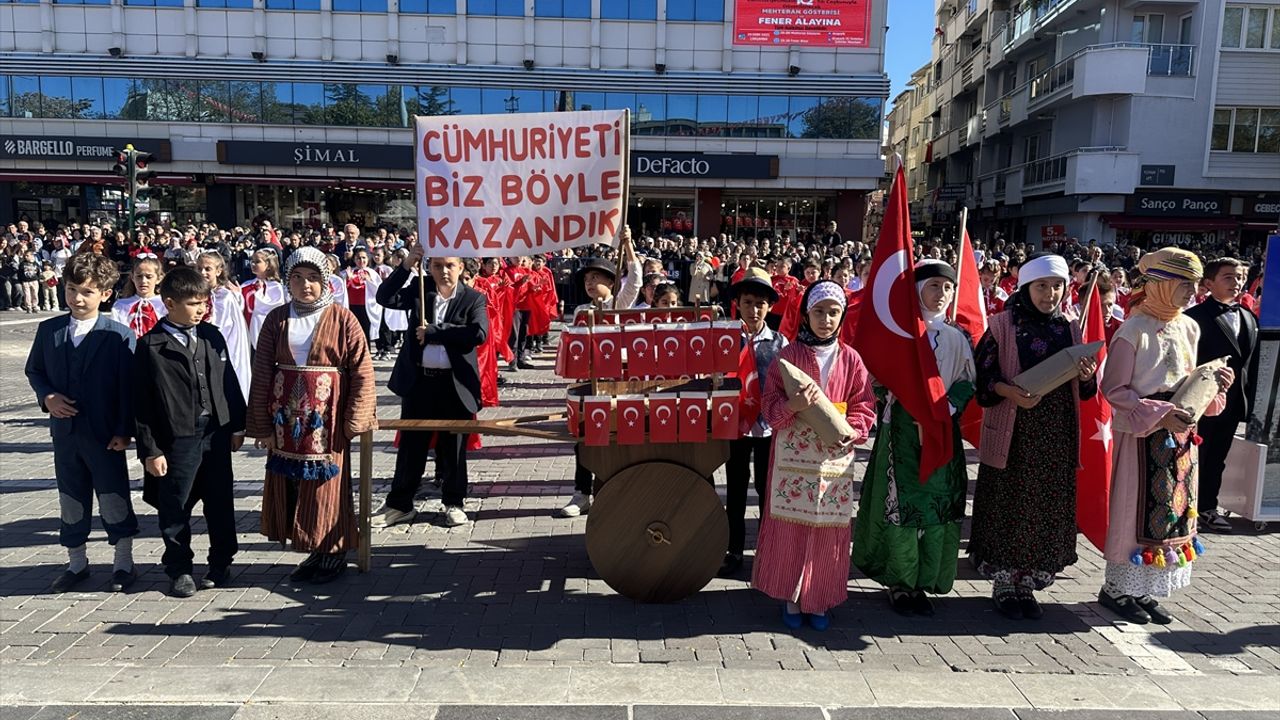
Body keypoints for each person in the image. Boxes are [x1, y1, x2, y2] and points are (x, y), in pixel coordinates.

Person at [1098, 248, 1234, 624]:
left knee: (1173, 511)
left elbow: (1188, 380)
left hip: (1180, 436)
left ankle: (1145, 588)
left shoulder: (1189, 326)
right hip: (1144, 434)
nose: (1192, 292)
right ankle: (1117, 588)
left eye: (1193, 284)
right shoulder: (1132, 330)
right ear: (1161, 284)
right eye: (1184, 284)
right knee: (1134, 510)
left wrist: (1213, 386)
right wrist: (1161, 413)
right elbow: (1114, 390)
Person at [969, 253, 1098, 620]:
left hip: (1055, 434)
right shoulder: (1001, 326)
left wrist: (1087, 374)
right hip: (1015, 434)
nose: (1050, 294)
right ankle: (1005, 581)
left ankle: (1028, 583)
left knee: (1044, 505)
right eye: (1042, 286)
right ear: (1025, 287)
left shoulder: (1069, 327)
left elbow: (1086, 392)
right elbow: (984, 383)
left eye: (1057, 286)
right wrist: (1009, 392)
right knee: (1010, 503)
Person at [246, 246, 378, 584]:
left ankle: (332, 552)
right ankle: (312, 550)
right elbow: (262, 370)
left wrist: (355, 418)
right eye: (298, 278)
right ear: (288, 280)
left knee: (325, 485)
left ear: (325, 280)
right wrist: (261, 424)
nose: (306, 285)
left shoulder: (342, 318)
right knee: (292, 484)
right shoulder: (277, 318)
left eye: (314, 278)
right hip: (286, 419)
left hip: (327, 419)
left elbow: (362, 370)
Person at [751, 280, 876, 631]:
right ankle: (791, 596)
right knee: (791, 526)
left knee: (826, 529)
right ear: (806, 314)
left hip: (833, 459)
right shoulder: (787, 356)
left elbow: (864, 404)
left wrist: (852, 429)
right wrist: (795, 404)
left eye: (833, 312)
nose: (825, 319)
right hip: (794, 457)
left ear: (842, 316)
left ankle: (818, 597)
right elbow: (770, 407)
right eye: (818, 311)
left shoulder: (851, 359)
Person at [853, 260, 975, 616]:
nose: (941, 294)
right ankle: (900, 582)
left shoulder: (957, 337)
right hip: (902, 431)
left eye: (947, 287)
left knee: (935, 506)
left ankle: (926, 579)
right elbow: (873, 376)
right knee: (901, 504)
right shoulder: (901, 333)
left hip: (941, 429)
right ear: (917, 289)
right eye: (933, 286)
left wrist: (950, 407)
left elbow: (968, 380)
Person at [25, 252, 139, 593]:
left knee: (113, 494)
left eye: (87, 291)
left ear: (105, 294)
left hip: (105, 434)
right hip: (65, 435)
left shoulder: (119, 335)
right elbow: (35, 370)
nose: (77, 298)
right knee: (71, 496)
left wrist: (124, 430)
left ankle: (123, 561)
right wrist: (47, 397)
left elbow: (127, 387)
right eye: (72, 289)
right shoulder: (50, 331)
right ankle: (77, 562)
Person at [133, 267, 247, 597]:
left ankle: (221, 561)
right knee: (175, 504)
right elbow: (141, 404)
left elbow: (229, 383)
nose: (201, 309)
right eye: (194, 303)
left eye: (204, 302)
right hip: (176, 437)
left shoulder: (212, 336)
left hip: (216, 432)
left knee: (220, 500)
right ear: (169, 303)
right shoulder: (151, 345)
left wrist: (237, 424)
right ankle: (179, 567)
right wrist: (150, 450)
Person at [371, 245, 489, 528]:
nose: (443, 271)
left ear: (461, 267)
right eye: (437, 266)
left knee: (454, 447)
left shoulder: (473, 298)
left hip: (454, 384)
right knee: (412, 446)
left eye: (449, 265)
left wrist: (436, 333)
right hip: (420, 382)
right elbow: (383, 296)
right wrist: (405, 266)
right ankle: (400, 504)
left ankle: (453, 501)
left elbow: (478, 333)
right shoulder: (420, 289)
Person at [557, 227, 643, 518]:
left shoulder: (620, 305)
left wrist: (628, 245)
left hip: (617, 384)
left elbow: (635, 278)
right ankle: (581, 494)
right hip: (588, 383)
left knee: (616, 438)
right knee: (584, 439)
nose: (590, 283)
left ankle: (615, 490)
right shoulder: (581, 310)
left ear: (611, 281)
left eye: (596, 278)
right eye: (587, 280)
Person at [1183, 257, 1258, 533]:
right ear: (1208, 283)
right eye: (1228, 277)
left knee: (1218, 457)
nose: (1236, 282)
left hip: (1234, 401)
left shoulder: (1249, 317)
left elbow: (1252, 362)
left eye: (1239, 277)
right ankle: (1186, 507)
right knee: (1194, 455)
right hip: (1201, 400)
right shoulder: (1194, 318)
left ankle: (1207, 508)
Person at [720, 267, 786, 577]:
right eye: (748, 302)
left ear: (770, 306)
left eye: (760, 303)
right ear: (738, 304)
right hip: (736, 426)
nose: (754, 309)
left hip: (769, 428)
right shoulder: (726, 340)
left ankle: (767, 551)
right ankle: (733, 550)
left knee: (766, 490)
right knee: (735, 489)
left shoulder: (781, 343)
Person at [196, 251, 252, 401]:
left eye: (208, 269)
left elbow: (231, 329)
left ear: (218, 271)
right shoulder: (195, 294)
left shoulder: (224, 296)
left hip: (220, 348)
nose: (202, 272)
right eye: (199, 268)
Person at [241, 247, 287, 352]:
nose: (253, 264)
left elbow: (272, 308)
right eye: (252, 261)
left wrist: (258, 292)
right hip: (248, 331)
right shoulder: (247, 284)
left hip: (266, 332)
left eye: (257, 262)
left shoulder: (275, 287)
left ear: (268, 265)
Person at [112, 255, 167, 338]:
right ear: (132, 277)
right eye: (139, 276)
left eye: (149, 277)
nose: (143, 281)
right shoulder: (121, 305)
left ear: (159, 278)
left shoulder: (165, 304)